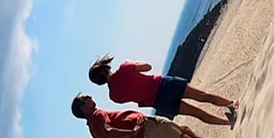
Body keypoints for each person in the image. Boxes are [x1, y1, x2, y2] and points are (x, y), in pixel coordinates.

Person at [91, 54, 234, 125]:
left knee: (196, 113)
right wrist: (134, 63)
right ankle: (231, 104)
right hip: (163, 85)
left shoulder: (113, 96)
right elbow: (148, 67)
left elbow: (134, 97)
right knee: (202, 96)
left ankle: (227, 123)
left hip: (158, 102)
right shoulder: (124, 68)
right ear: (105, 67)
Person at [72, 93, 225, 138]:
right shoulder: (97, 116)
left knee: (184, 130)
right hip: (148, 129)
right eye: (86, 98)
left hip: (145, 134)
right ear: (82, 108)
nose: (90, 97)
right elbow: (110, 131)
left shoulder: (92, 129)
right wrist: (133, 133)